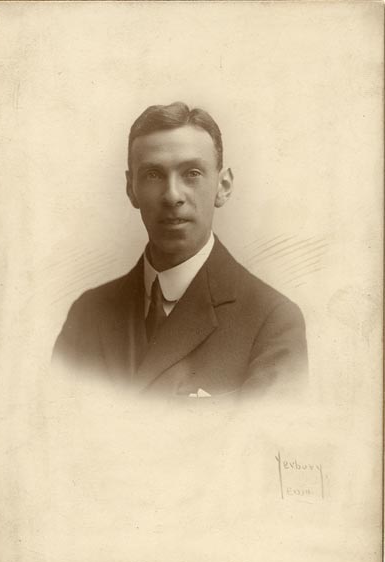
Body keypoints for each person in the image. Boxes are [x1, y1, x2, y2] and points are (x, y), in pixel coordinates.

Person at [53, 102, 308, 399]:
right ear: (130, 188)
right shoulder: (88, 314)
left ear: (223, 186)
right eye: (152, 174)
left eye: (192, 173)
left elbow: (265, 443)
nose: (172, 195)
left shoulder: (272, 321)